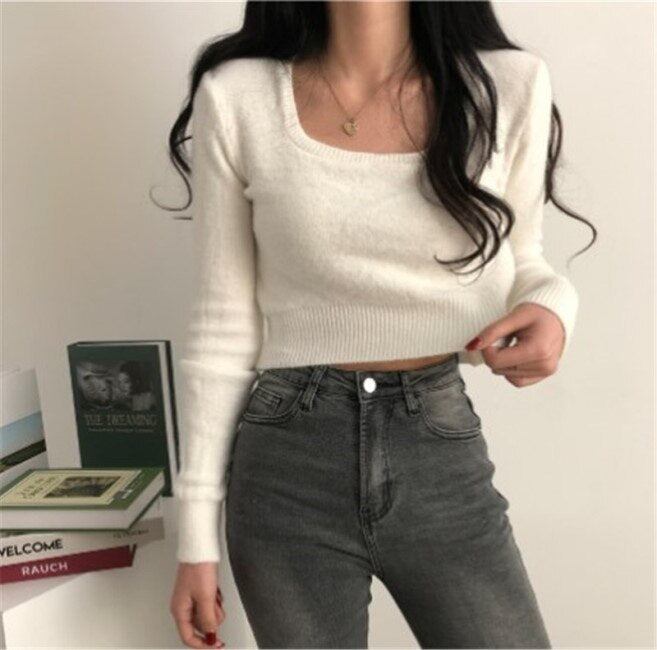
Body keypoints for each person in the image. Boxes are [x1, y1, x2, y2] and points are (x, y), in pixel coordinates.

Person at [163, 2, 595, 648]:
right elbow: (222, 326)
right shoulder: (237, 95)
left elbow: (521, 260)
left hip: (437, 446)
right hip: (287, 462)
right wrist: (195, 541)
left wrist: (556, 309)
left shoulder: (507, 84)